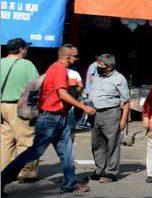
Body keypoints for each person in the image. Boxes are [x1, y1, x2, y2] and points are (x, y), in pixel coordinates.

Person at [1, 44, 96, 195]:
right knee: (33, 152)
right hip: (50, 118)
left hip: (59, 117)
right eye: (76, 56)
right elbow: (62, 94)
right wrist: (83, 107)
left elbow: (58, 90)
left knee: (67, 152)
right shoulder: (58, 69)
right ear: (68, 57)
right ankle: (2, 179)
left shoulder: (57, 69)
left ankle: (70, 183)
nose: (77, 58)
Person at [0, 38, 40, 182]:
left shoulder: (1, 62)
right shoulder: (27, 65)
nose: (27, 50)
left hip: (2, 106)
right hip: (20, 108)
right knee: (26, 140)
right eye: (26, 48)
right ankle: (27, 172)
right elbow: (36, 86)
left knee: (6, 142)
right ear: (21, 49)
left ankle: (5, 172)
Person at [88, 54, 130, 183]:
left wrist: (123, 119)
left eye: (101, 64)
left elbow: (126, 101)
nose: (98, 66)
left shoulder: (119, 79)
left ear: (110, 66)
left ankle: (111, 173)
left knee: (112, 144)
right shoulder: (97, 76)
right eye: (98, 63)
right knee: (97, 144)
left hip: (111, 114)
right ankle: (99, 170)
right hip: (95, 114)